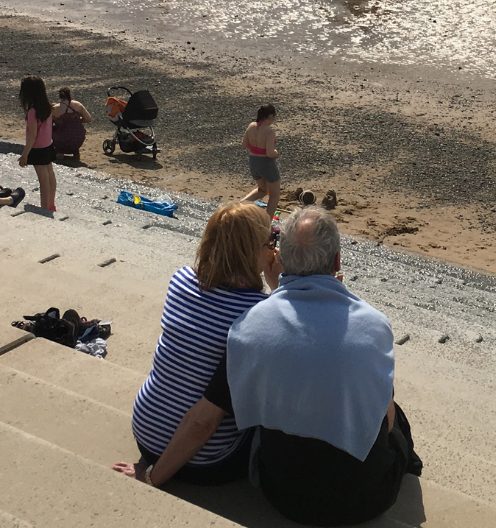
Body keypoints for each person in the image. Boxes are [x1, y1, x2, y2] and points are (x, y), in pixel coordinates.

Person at [125, 207, 422, 525]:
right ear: (336, 262)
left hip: (280, 494)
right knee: (393, 414)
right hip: (365, 502)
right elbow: (386, 421)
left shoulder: (244, 318)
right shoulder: (374, 325)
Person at [112, 203, 282, 486]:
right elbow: (204, 422)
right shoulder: (259, 313)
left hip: (146, 434)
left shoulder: (180, 281)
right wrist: (278, 287)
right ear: (254, 252)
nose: (274, 249)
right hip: (205, 460)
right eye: (271, 240)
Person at [19, 75, 56, 212]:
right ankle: (51, 205)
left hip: (38, 148)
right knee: (50, 175)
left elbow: (32, 136)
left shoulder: (32, 111)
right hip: (48, 145)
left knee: (43, 180)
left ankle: (45, 208)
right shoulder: (48, 107)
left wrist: (24, 155)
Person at [242, 105, 280, 222]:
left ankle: (241, 204)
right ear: (270, 116)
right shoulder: (269, 131)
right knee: (274, 195)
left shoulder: (251, 126)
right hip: (266, 164)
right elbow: (269, 153)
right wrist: (276, 153)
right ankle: (266, 222)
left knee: (262, 190)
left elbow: (245, 145)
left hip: (253, 162)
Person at [52, 86, 92, 158]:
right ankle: (75, 151)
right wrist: (78, 121)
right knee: (73, 131)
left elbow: (48, 125)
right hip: (78, 139)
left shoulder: (55, 108)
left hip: (62, 140)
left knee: (52, 130)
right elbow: (88, 118)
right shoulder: (78, 105)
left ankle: (59, 151)